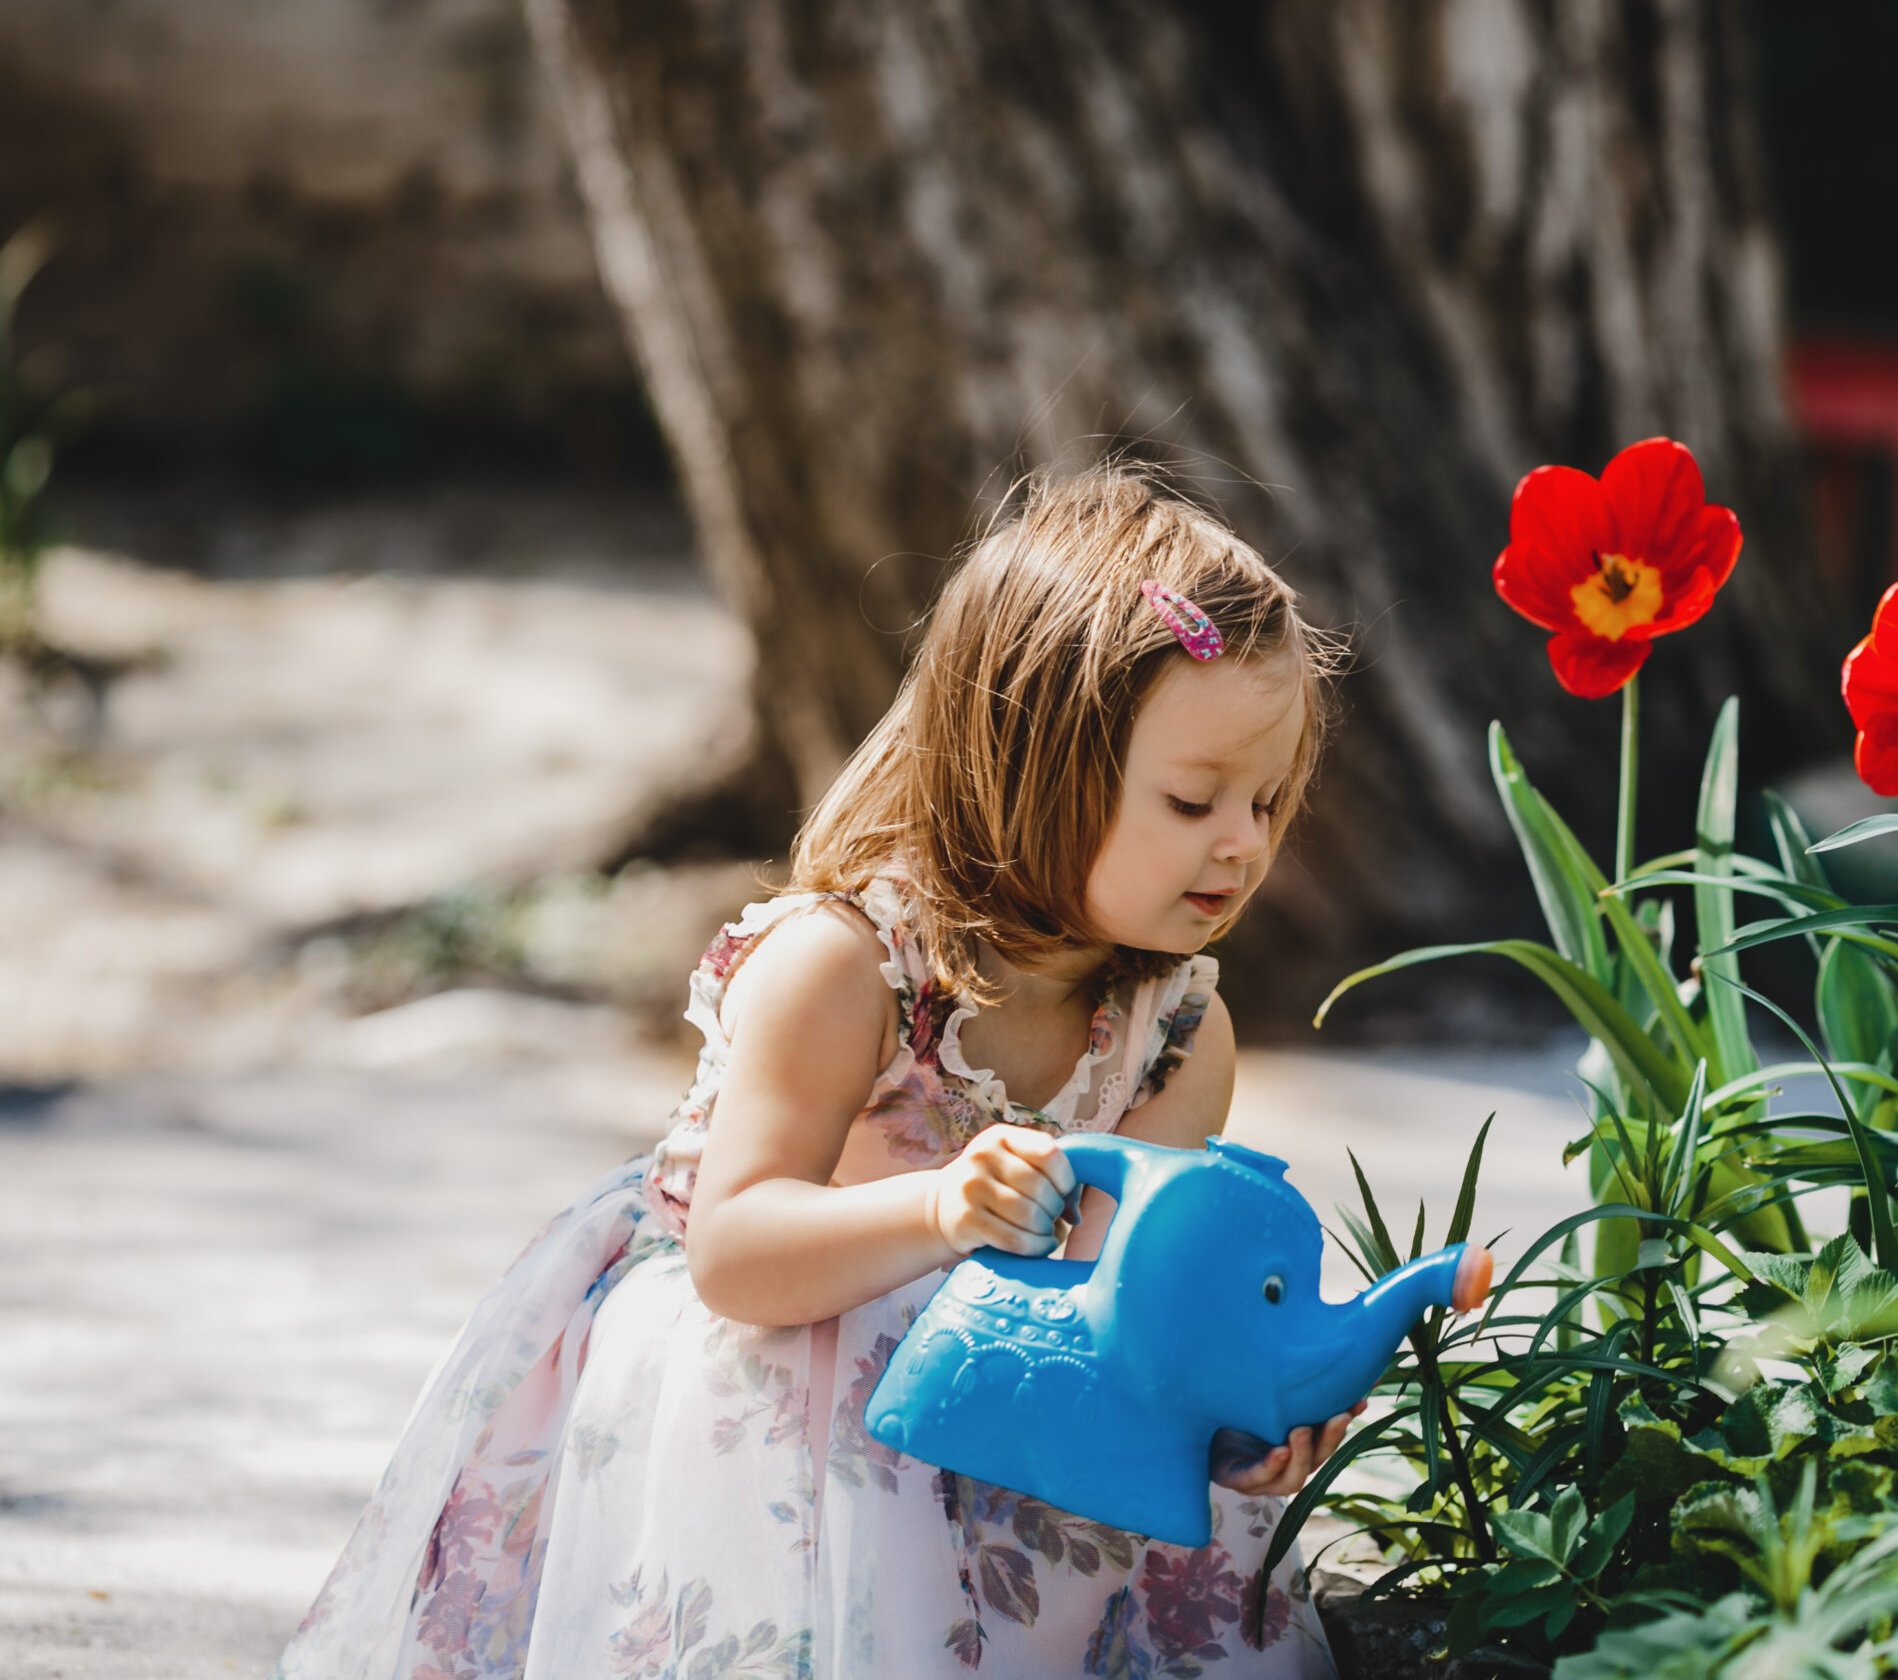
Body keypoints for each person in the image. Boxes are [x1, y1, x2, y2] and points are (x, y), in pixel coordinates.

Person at [278, 465, 1353, 1679]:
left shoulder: (1173, 1034)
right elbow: (734, 1254)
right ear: (1031, 763)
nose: (1242, 843)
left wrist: (1228, 1420)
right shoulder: (846, 970)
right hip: (788, 1396)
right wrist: (941, 1209)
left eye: (1268, 803)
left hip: (1006, 1420)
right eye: (1193, 797)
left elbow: (1134, 1321)